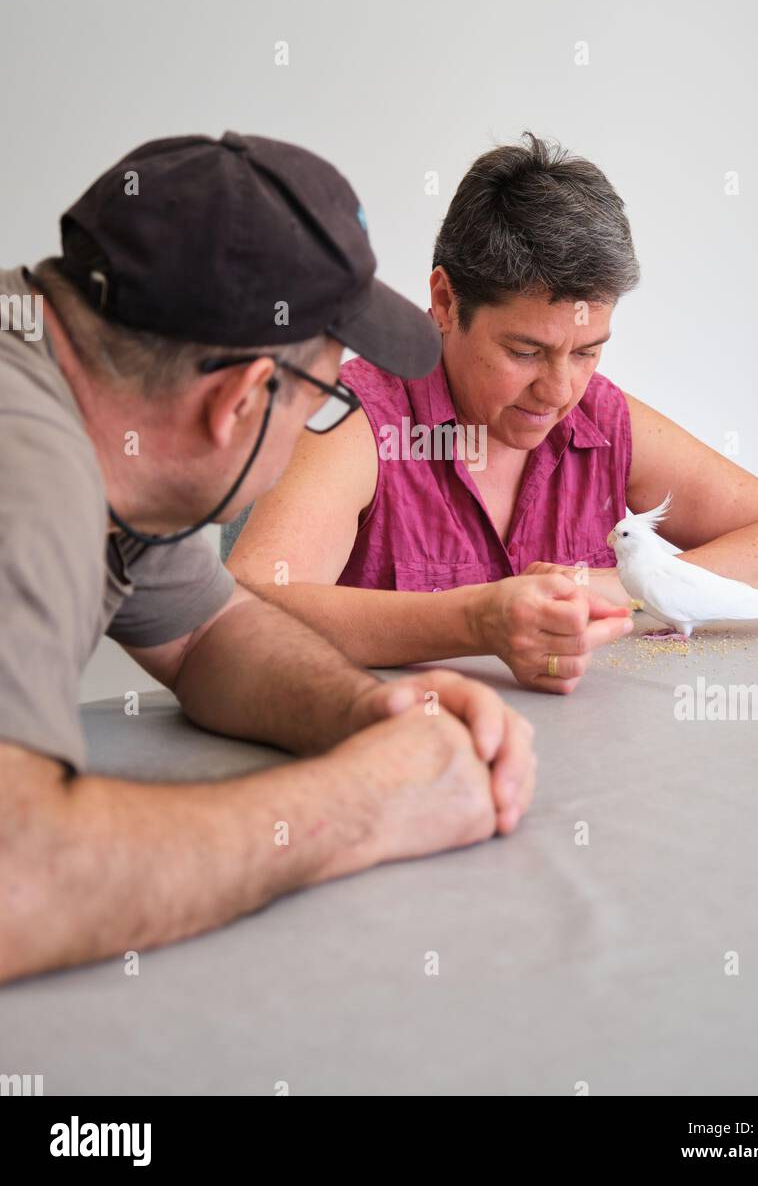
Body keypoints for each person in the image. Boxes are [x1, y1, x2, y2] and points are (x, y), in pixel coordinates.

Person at [0, 130, 545, 985]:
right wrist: (362, 806)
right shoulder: (24, 473)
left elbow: (204, 633)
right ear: (242, 400)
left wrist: (374, 715)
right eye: (325, 395)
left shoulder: (82, 396)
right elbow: (17, 883)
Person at [226, 134, 758, 691]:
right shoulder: (359, 422)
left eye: (587, 351)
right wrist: (476, 620)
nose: (558, 392)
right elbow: (244, 607)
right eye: (525, 351)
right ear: (444, 301)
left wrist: (612, 585)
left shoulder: (601, 419)